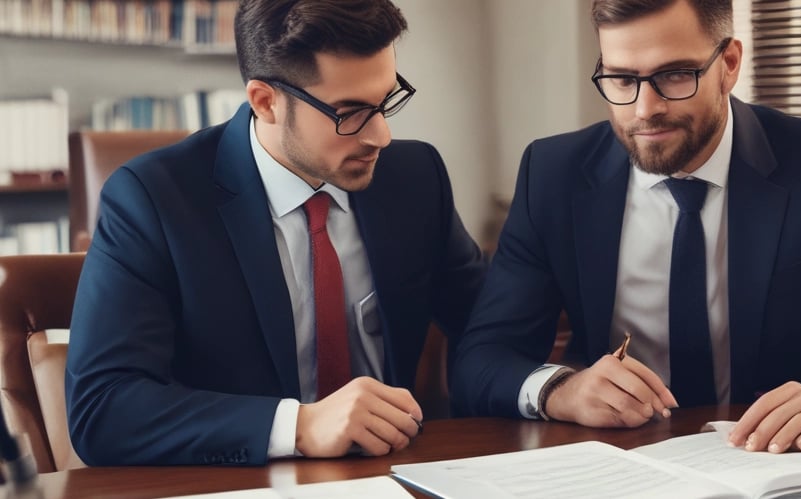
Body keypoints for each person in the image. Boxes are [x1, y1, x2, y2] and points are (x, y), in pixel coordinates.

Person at [451, 0, 801, 453]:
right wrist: (560, 391)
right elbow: (482, 358)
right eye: (620, 79)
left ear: (728, 63)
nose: (645, 109)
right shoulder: (554, 174)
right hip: (614, 465)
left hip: (779, 463)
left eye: (675, 75)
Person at [66, 0, 486, 466]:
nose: (381, 136)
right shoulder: (152, 199)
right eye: (350, 113)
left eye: (386, 100)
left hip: (396, 472)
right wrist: (299, 426)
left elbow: (488, 327)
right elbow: (102, 410)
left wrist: (554, 388)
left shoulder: (415, 177)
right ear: (265, 102)